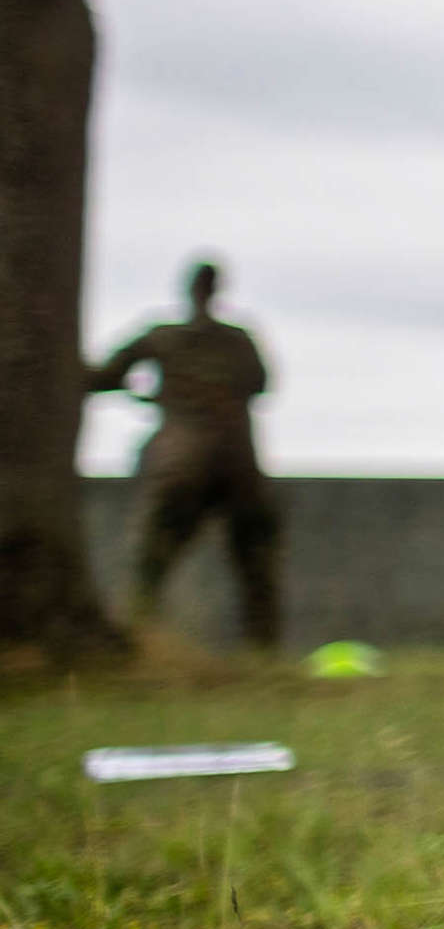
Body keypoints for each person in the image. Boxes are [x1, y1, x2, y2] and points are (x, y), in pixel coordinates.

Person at [87, 261, 281, 651]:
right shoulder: (239, 340)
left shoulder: (162, 337)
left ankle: (137, 636)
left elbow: (101, 378)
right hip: (239, 462)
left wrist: (144, 392)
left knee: (151, 559)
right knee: (255, 564)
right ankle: (261, 649)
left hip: (182, 461)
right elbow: (260, 385)